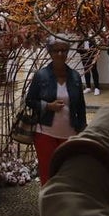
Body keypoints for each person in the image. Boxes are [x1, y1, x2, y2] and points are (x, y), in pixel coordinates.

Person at [24, 37, 87, 184]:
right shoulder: (41, 75)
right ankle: (48, 202)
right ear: (50, 53)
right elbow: (29, 100)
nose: (60, 54)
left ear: (68, 52)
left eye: (64, 50)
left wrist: (82, 128)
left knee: (68, 172)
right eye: (56, 50)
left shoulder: (75, 77)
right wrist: (48, 106)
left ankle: (65, 202)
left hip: (69, 133)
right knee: (47, 172)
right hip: (45, 132)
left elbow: (81, 106)